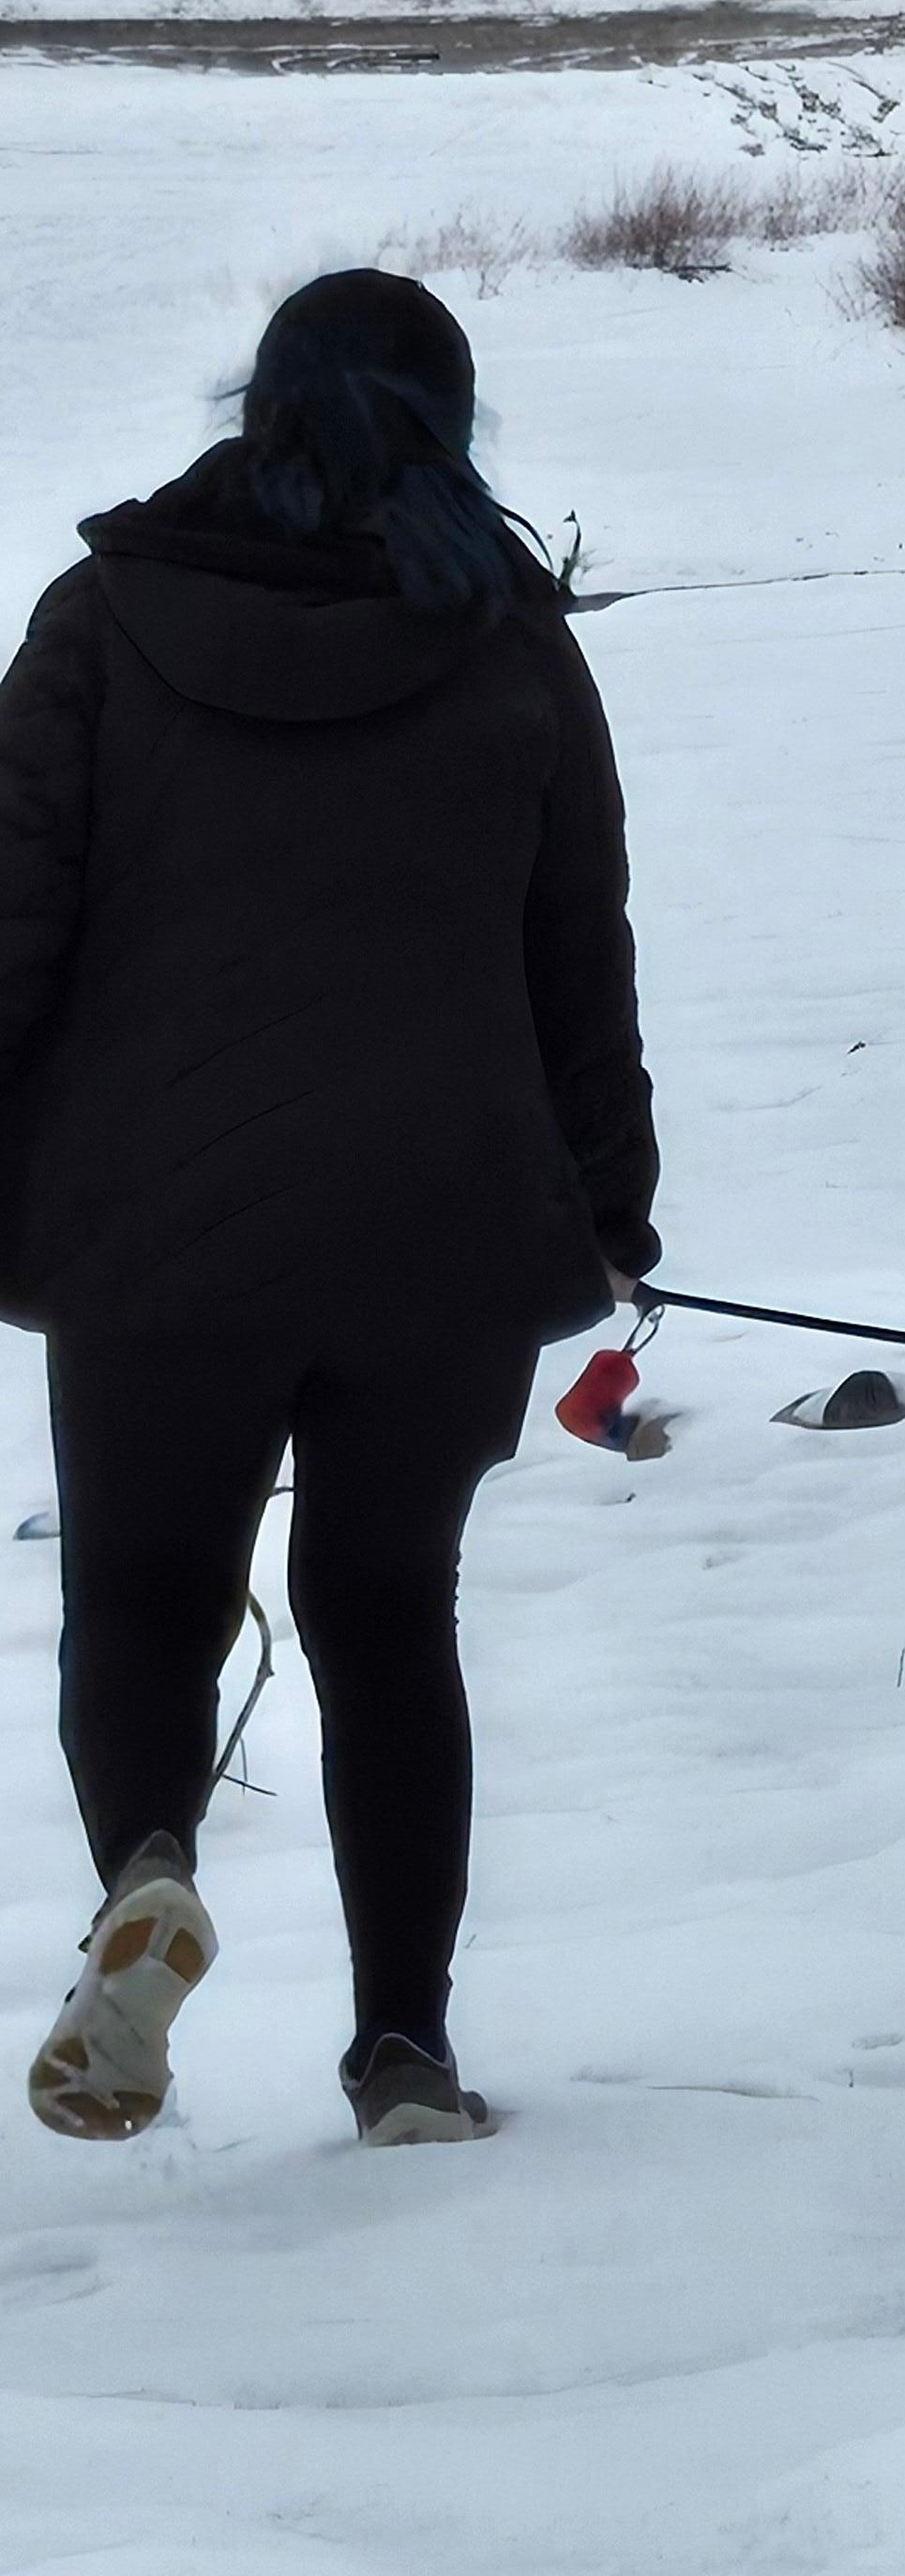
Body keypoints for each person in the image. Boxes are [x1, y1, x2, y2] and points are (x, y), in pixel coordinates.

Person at [0, 272, 659, 2147]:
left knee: (138, 1597)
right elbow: (574, 964)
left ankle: (146, 1869)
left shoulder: (104, 620)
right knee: (385, 1614)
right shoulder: (513, 641)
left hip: (153, 1232)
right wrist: (614, 1207)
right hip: (438, 1235)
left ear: (261, 405)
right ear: (451, 426)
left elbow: (7, 933)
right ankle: (403, 2054)